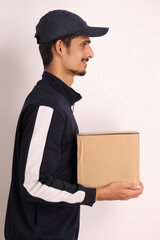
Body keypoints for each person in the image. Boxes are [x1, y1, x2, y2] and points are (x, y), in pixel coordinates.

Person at [4, 10, 143, 240]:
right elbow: (33, 184)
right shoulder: (47, 105)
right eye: (83, 45)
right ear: (60, 47)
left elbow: (56, 168)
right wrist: (99, 194)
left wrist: (115, 179)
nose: (91, 53)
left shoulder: (57, 101)